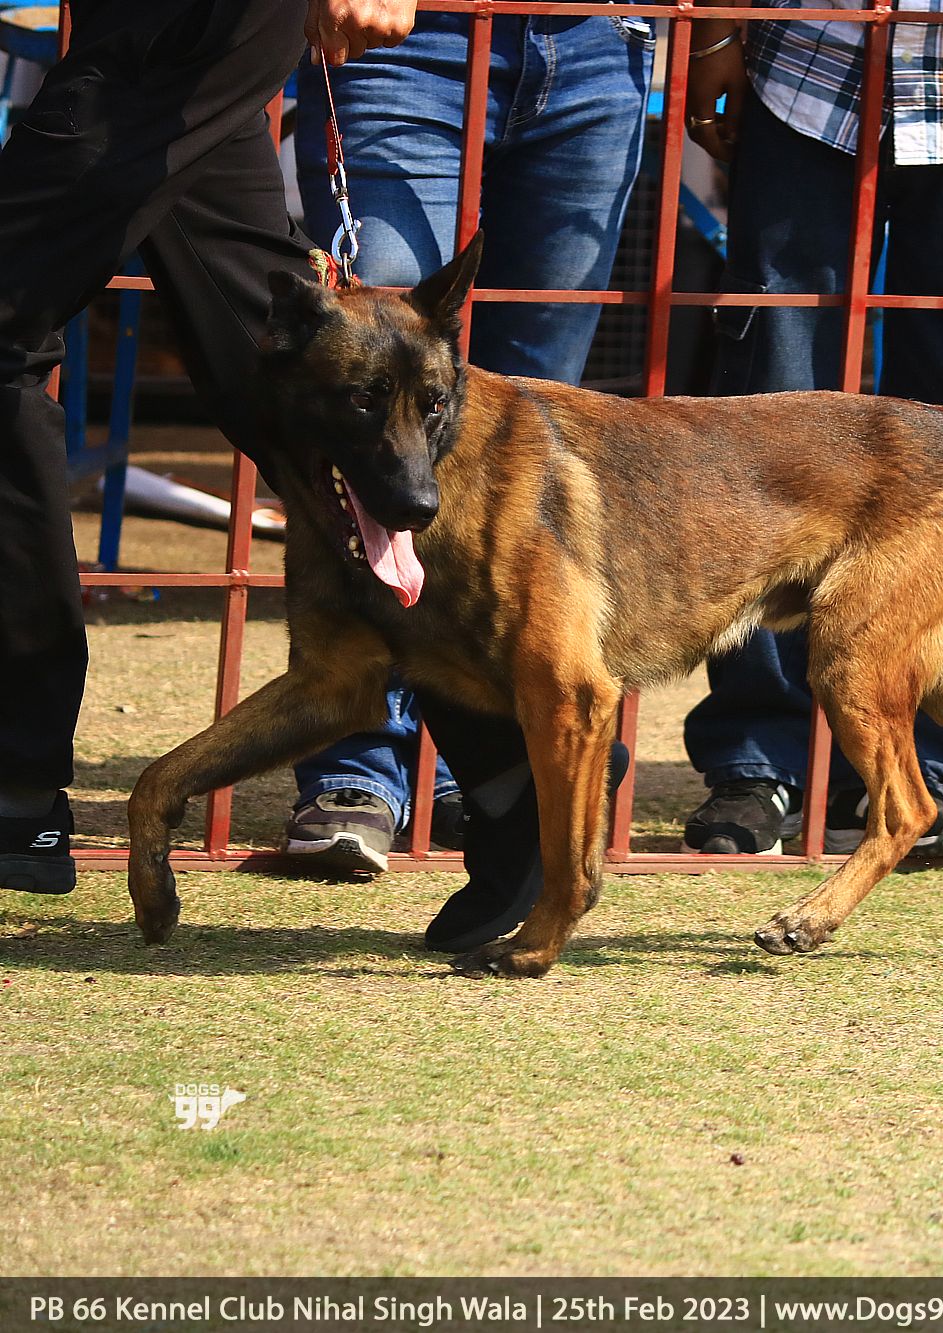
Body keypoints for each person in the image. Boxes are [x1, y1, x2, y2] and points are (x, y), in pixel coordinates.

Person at [0, 0, 596, 959]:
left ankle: (14, 786)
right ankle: (511, 778)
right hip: (171, 26)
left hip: (192, 17)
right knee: (300, 389)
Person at [668, 0, 943, 858]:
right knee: (767, 430)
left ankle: (916, 769)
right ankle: (758, 759)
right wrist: (715, 34)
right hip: (813, 60)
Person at [281, 3, 656, 875]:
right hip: (407, 38)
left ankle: (478, 760)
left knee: (527, 439)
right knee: (365, 396)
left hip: (599, 39)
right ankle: (357, 763)